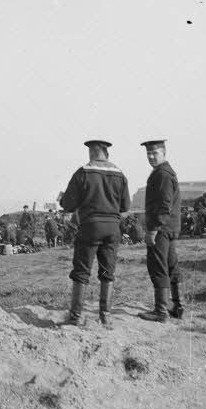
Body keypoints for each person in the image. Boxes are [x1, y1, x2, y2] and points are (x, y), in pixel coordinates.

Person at [59, 139, 131, 326]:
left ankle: (75, 317)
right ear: (106, 153)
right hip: (112, 229)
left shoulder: (83, 172)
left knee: (82, 271)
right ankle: (105, 316)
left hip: (90, 228)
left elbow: (68, 205)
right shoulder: (120, 174)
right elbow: (125, 208)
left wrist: (64, 199)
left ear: (91, 153)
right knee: (107, 271)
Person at [138, 139, 182, 322]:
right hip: (169, 227)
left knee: (158, 266)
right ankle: (177, 307)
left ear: (164, 153)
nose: (151, 157)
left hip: (161, 229)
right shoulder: (165, 171)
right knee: (171, 266)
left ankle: (161, 311)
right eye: (148, 153)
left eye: (154, 153)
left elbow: (165, 205)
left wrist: (153, 230)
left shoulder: (162, 174)